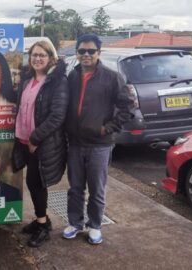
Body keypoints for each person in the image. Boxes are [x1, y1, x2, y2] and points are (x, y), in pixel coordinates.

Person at [62, 34, 134, 245]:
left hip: (99, 145)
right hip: (75, 143)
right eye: (82, 51)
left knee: (96, 189)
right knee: (75, 188)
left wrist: (107, 128)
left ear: (98, 53)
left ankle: (94, 225)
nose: (86, 55)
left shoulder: (112, 77)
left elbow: (127, 107)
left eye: (91, 51)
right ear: (76, 53)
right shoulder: (72, 76)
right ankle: (75, 223)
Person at [11, 40, 69, 247]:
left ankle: (43, 225)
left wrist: (36, 138)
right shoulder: (28, 79)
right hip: (24, 140)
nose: (37, 59)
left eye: (42, 55)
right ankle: (39, 219)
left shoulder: (57, 81)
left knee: (37, 183)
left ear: (51, 58)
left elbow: (57, 116)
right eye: (34, 55)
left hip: (41, 143)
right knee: (32, 182)